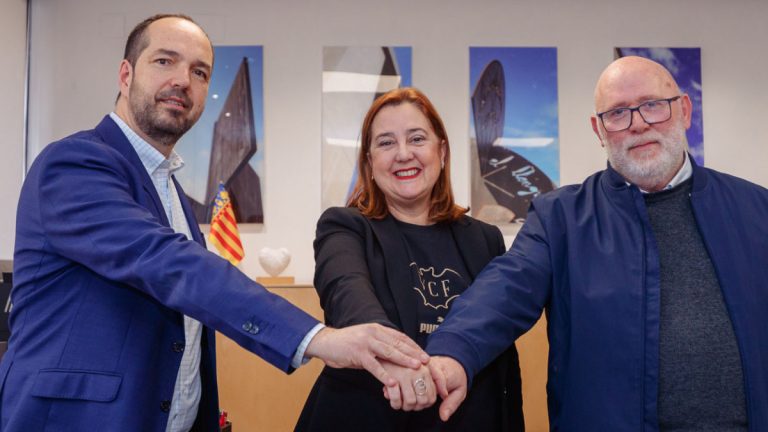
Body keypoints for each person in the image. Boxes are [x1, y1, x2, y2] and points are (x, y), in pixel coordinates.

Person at [0, 14, 428, 431]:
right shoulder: (74, 164)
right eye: (165, 61)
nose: (183, 81)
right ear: (126, 74)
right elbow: (167, 263)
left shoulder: (173, 193)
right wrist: (317, 337)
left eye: (200, 72)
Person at [427, 56, 768, 431]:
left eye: (653, 105)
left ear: (684, 111)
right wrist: (453, 351)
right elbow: (505, 290)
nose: (638, 123)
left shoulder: (757, 209)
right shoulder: (560, 218)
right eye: (618, 113)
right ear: (599, 130)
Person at [296, 88, 524, 431]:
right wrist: (394, 357)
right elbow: (346, 292)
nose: (403, 154)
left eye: (417, 138)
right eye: (386, 143)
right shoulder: (344, 227)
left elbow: (496, 331)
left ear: (441, 150)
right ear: (370, 162)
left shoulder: (485, 239)